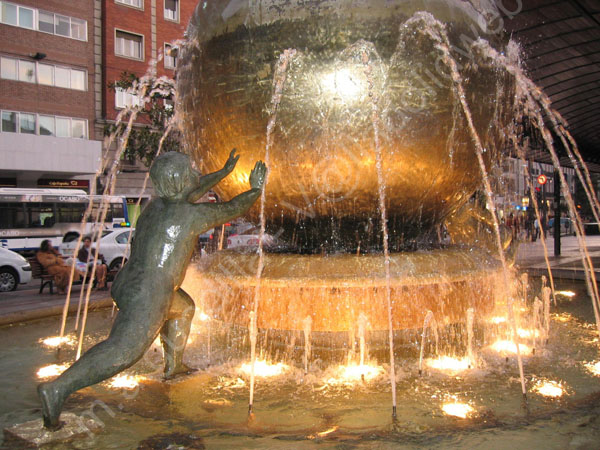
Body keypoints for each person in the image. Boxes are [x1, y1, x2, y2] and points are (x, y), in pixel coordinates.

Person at [38, 150, 266, 430]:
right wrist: (255, 189)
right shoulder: (187, 216)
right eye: (191, 173)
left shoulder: (157, 205)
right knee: (123, 351)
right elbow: (232, 208)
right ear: (181, 181)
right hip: (149, 292)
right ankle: (58, 388)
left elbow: (190, 191)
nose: (196, 176)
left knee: (183, 308)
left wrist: (224, 172)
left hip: (131, 281)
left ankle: (174, 366)